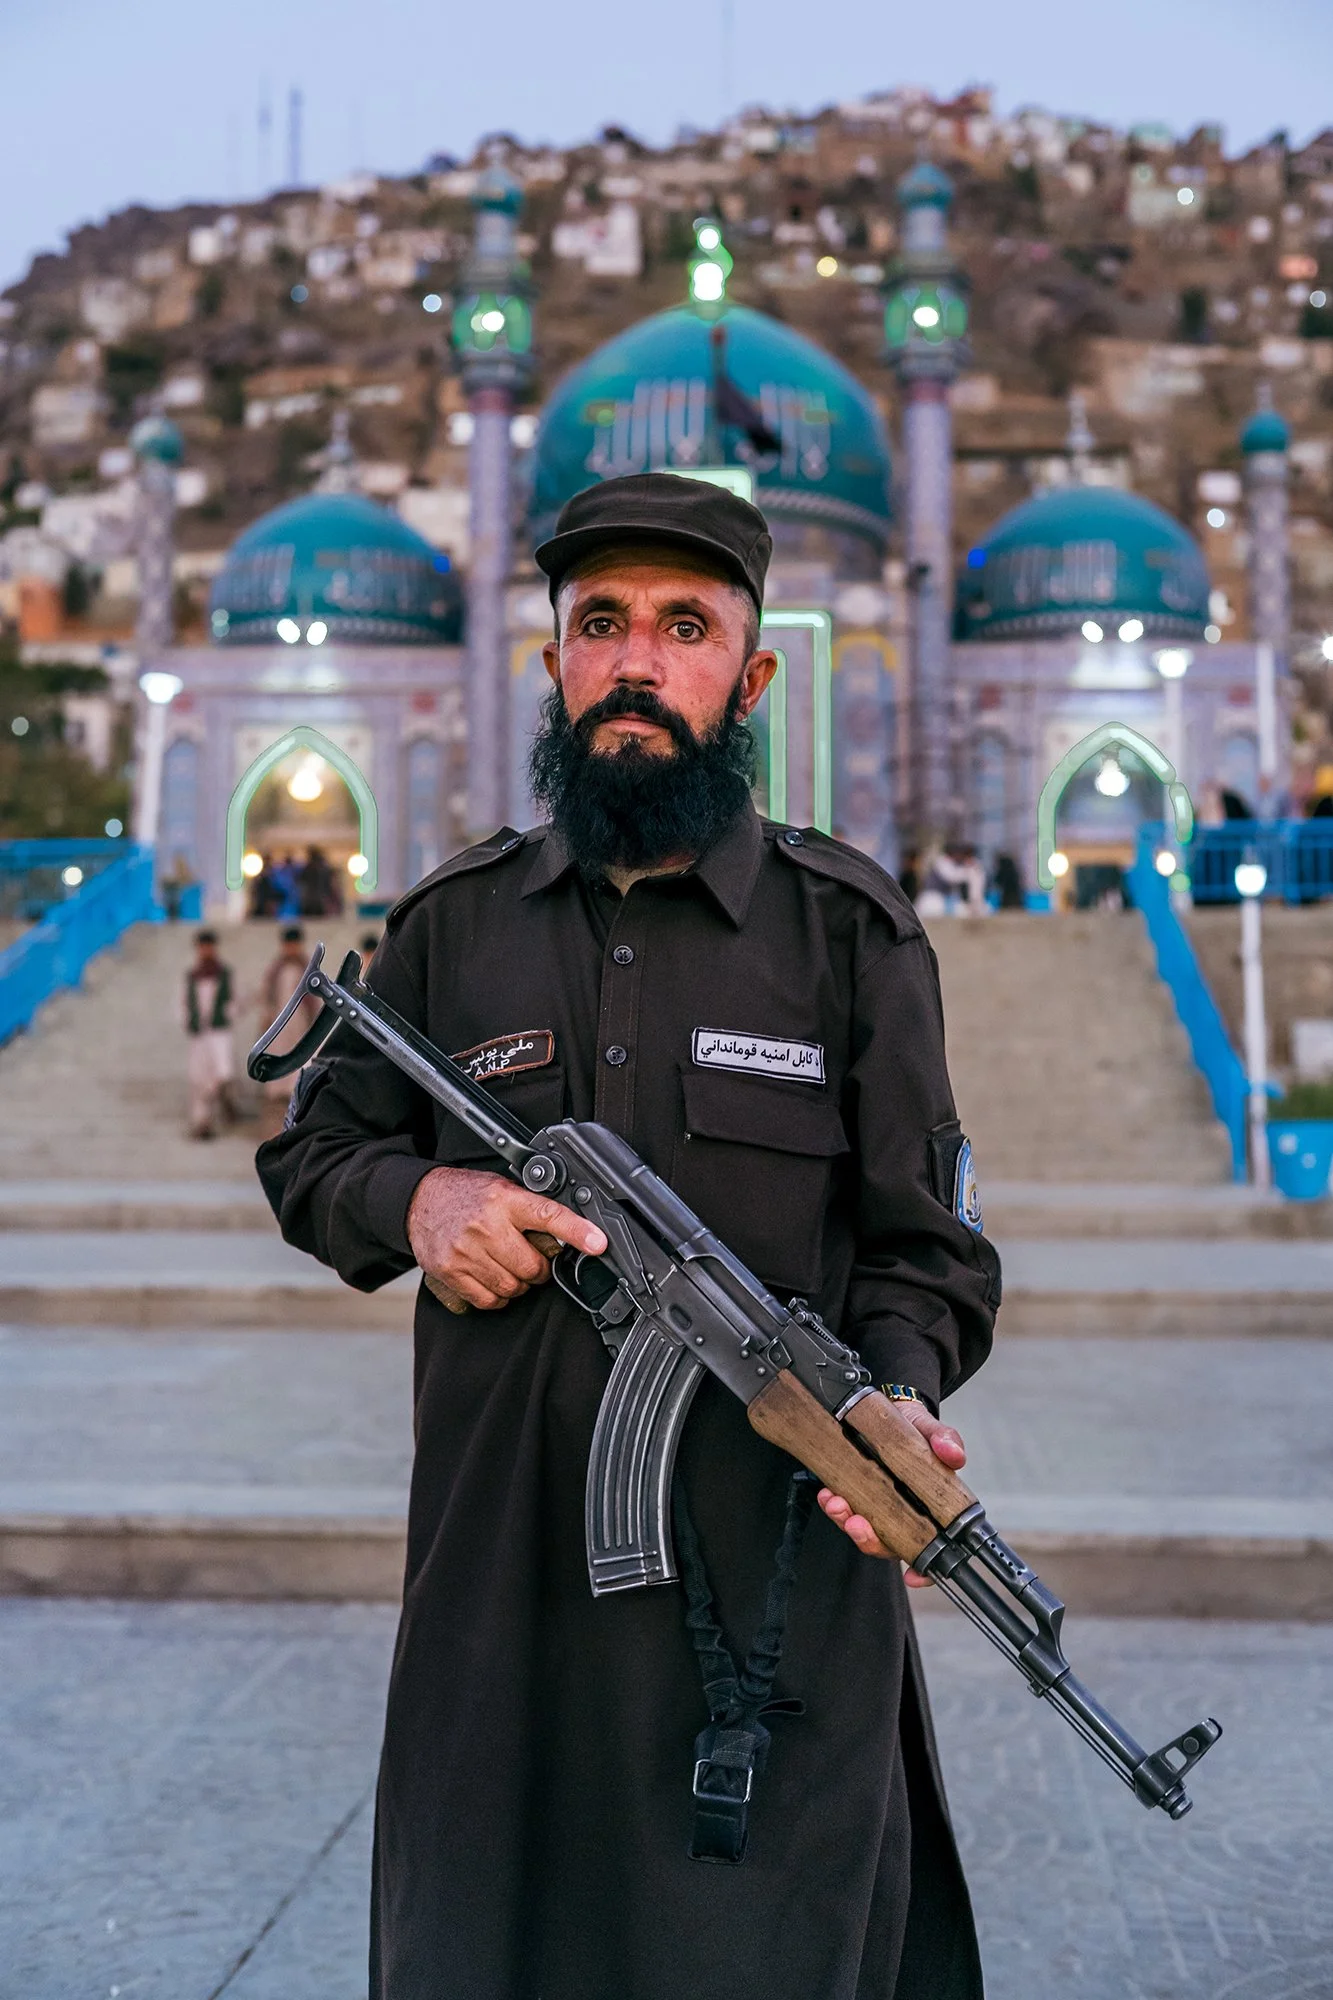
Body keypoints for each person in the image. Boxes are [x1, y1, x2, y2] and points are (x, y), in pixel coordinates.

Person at [258, 473, 999, 2000]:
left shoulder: (847, 934)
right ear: (553, 664)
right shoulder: (452, 927)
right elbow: (315, 1148)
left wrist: (902, 1401)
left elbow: (926, 1250)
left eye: (683, 626)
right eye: (600, 624)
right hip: (500, 1597)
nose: (637, 661)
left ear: (754, 671)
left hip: (773, 1597)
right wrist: (422, 1199)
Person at [255, 924, 320, 1139]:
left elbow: (315, 1003)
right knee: (277, 1087)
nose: (291, 949)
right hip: (278, 1033)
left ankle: (297, 1133)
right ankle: (275, 1133)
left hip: (301, 1032)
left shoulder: (308, 969)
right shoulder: (276, 971)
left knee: (300, 1082)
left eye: (294, 944)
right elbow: (267, 1000)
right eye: (288, 944)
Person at [182, 929, 235, 1139]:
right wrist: (189, 1020)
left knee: (222, 1074)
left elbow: (234, 1000)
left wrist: (228, 1012)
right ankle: (202, 1123)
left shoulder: (225, 974)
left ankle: (224, 1101)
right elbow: (183, 1004)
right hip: (199, 1036)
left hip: (219, 1033)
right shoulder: (192, 976)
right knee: (199, 1079)